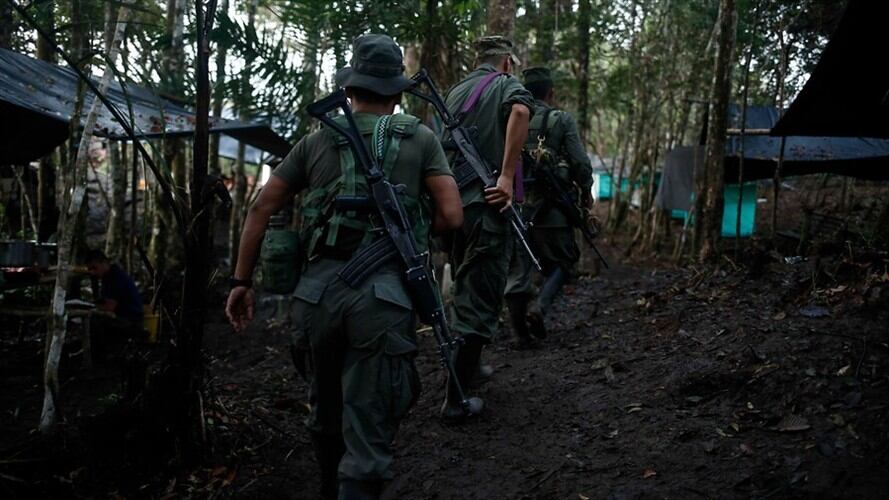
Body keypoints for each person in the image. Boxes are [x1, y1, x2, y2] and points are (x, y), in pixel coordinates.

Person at [224, 34, 463, 500]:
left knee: (325, 411)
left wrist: (240, 281)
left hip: (315, 297)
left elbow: (260, 209)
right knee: (368, 438)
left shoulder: (317, 140)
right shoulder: (421, 138)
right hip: (383, 299)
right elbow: (452, 216)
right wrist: (409, 222)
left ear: (350, 90)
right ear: (397, 92)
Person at [440, 35, 533, 421]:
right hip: (486, 205)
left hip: (451, 209)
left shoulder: (453, 92)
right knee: (481, 295)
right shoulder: (505, 84)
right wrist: (508, 176)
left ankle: (471, 368)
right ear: (507, 62)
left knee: (466, 284)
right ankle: (455, 401)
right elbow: (522, 113)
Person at [504, 66, 593, 345]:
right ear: (551, 93)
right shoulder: (560, 120)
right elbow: (579, 161)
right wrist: (586, 192)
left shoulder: (510, 118)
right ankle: (539, 307)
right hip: (552, 208)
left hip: (516, 207)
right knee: (564, 261)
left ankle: (520, 334)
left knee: (520, 270)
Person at [84, 250, 144, 358]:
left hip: (131, 321)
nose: (92, 272)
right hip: (124, 316)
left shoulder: (115, 277)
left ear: (104, 263)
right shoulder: (108, 276)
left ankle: (103, 356)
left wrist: (91, 309)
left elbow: (109, 308)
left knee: (94, 320)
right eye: (90, 269)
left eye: (94, 268)